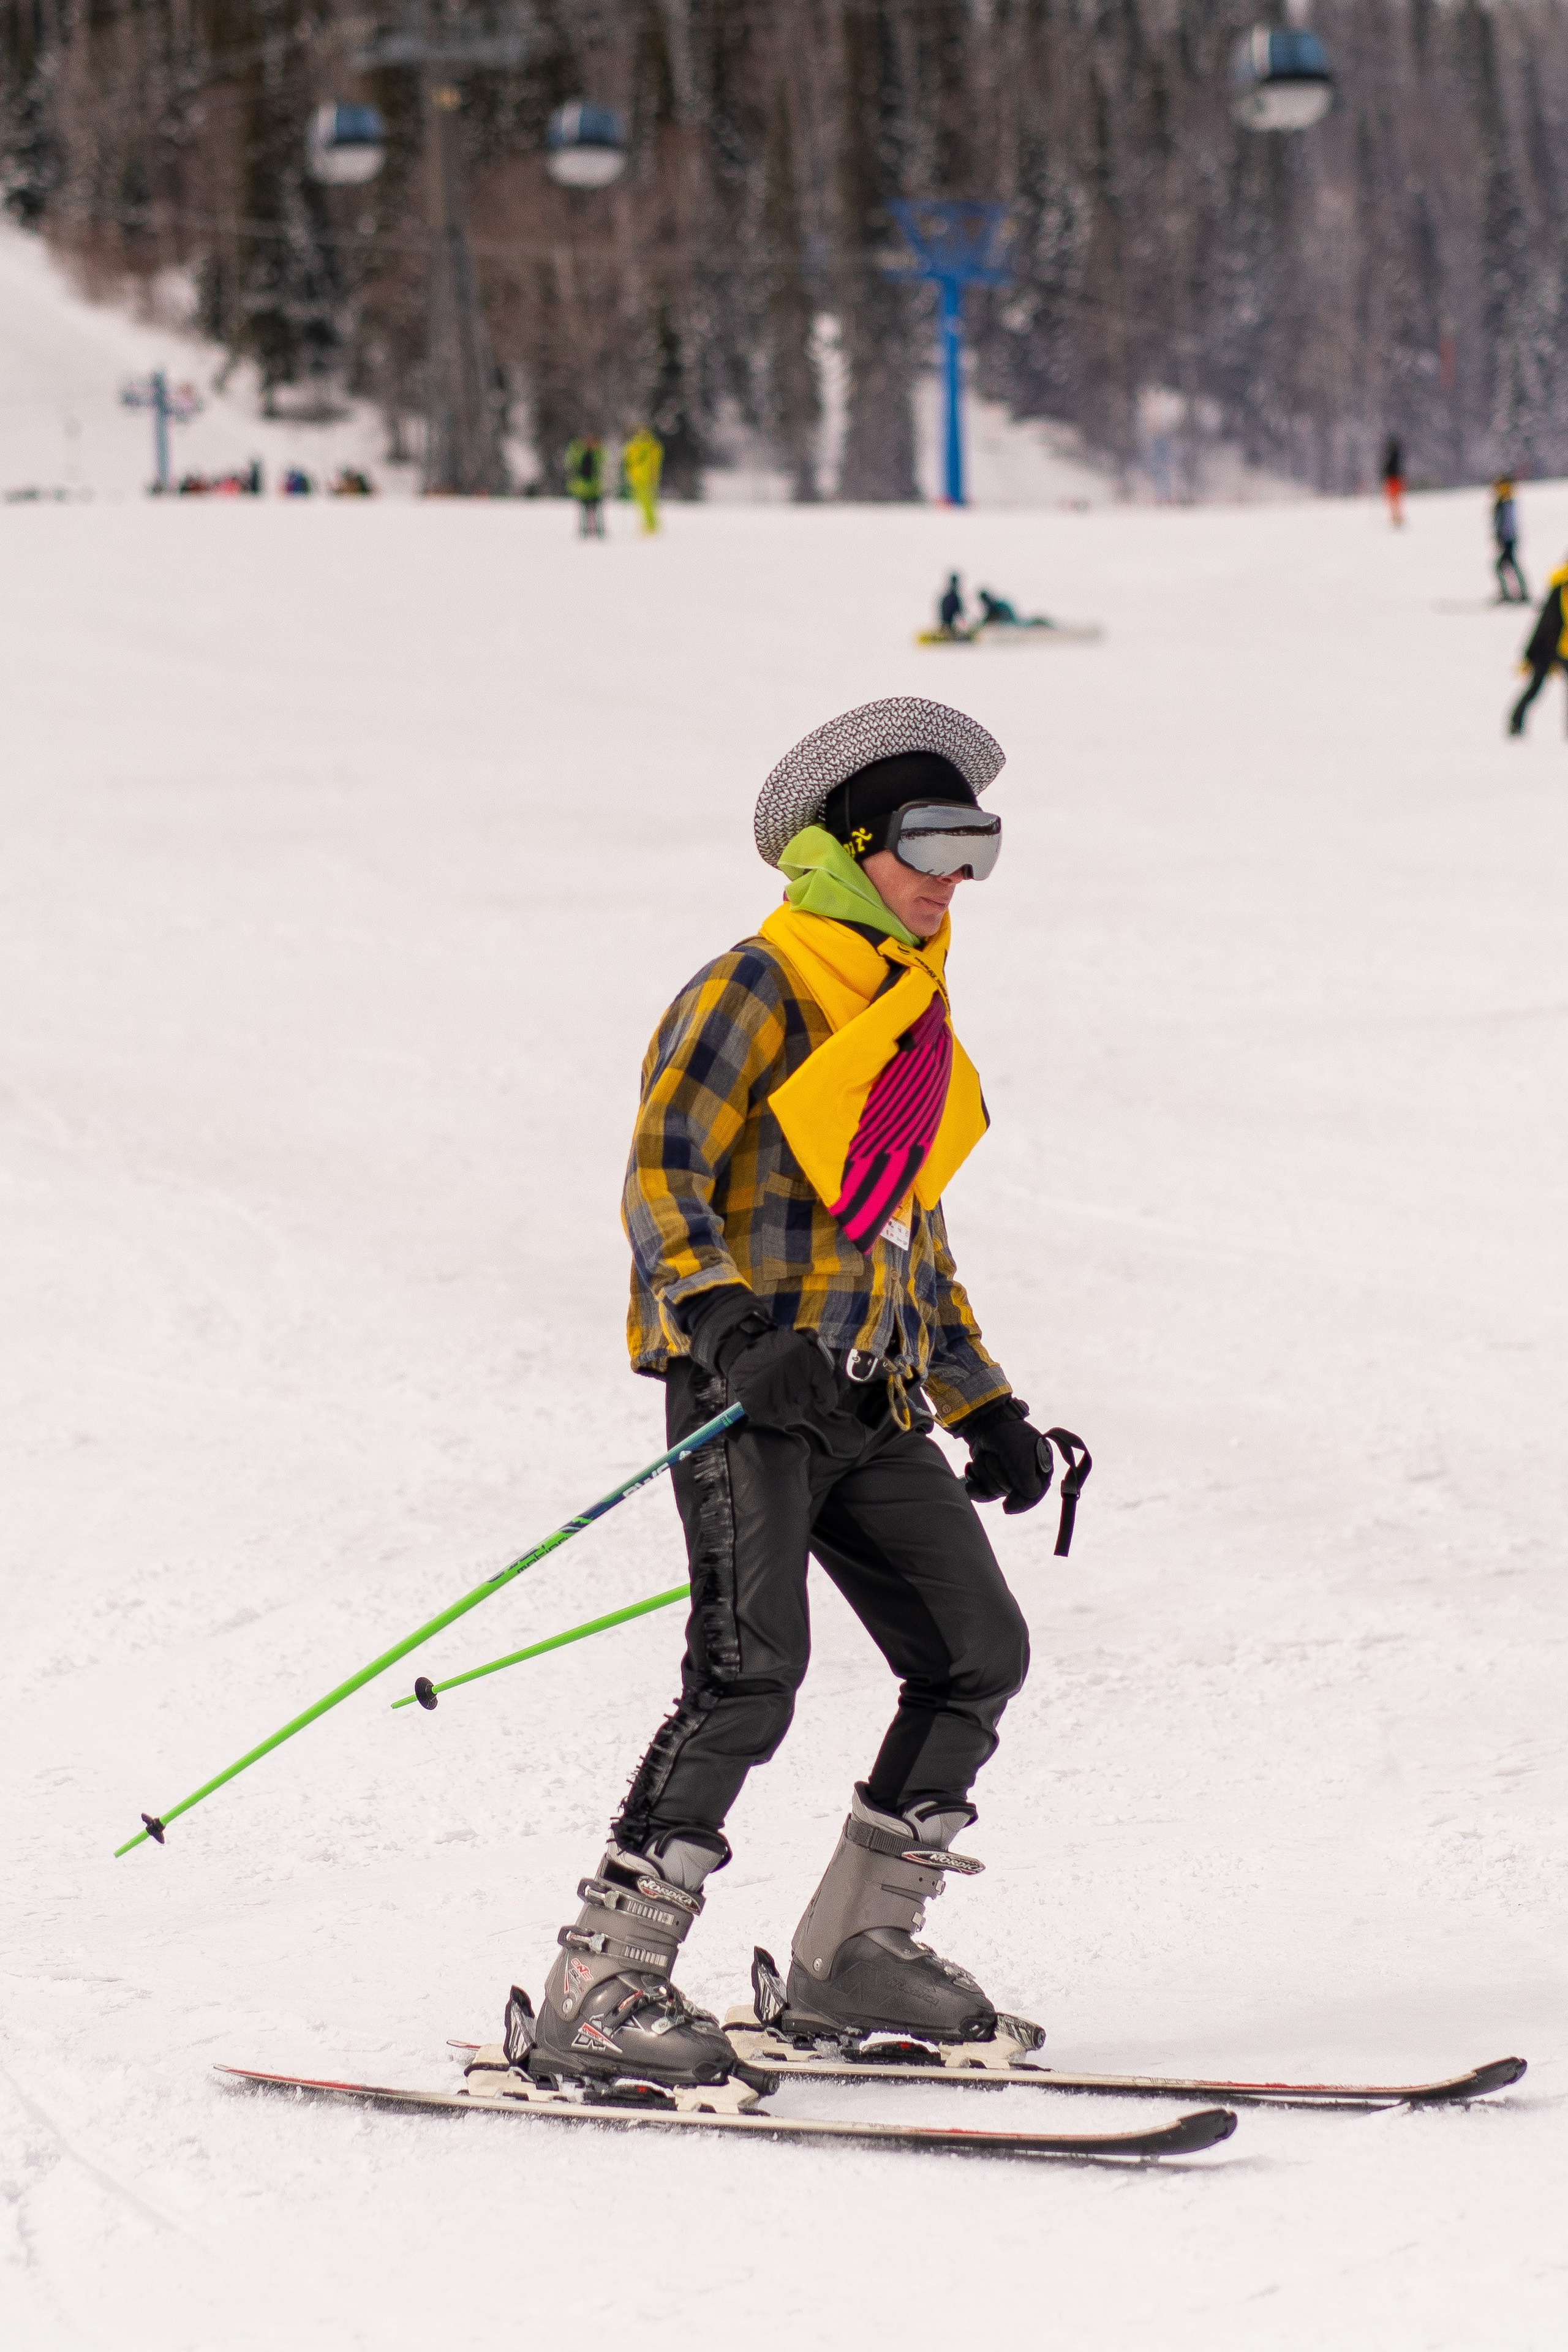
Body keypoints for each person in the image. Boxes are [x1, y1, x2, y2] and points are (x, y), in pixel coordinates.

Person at [517, 695, 1087, 2092]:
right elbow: (661, 1178)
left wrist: (982, 1403)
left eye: (980, 845)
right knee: (746, 1671)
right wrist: (723, 1325)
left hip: (864, 1405)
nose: (957, 875)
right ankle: (600, 1982)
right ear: (844, 847)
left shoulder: (906, 1017)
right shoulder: (753, 988)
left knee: (973, 1652)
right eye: (933, 839)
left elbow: (909, 1235)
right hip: (750, 1398)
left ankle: (852, 1958)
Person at [1508, 560, 1568, 736]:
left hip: (1560, 648)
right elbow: (1546, 623)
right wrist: (1529, 655)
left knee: (1536, 687)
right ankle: (1515, 722)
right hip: (1550, 648)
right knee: (1535, 687)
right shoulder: (1560, 588)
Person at [622, 424, 663, 533]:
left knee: (646, 503)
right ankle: (649, 524)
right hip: (641, 478)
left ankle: (650, 525)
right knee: (645, 503)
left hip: (642, 479)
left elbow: (628, 461)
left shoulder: (636, 446)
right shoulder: (651, 446)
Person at [1493, 479, 1527, 604]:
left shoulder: (1506, 503)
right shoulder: (1502, 503)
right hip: (1508, 540)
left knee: (1499, 566)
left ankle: (1510, 594)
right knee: (1509, 565)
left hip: (1508, 540)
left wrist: (1504, 539)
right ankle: (1521, 593)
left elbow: (1508, 524)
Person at [565, 434, 605, 537]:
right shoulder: (579, 453)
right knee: (584, 511)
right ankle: (585, 531)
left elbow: (603, 458)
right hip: (583, 488)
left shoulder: (596, 454)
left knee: (596, 511)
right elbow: (571, 458)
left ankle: (599, 530)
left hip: (594, 488)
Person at [1381, 436, 1404, 527]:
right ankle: (1396, 517)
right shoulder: (1395, 457)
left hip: (1393, 480)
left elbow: (1390, 469)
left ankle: (1397, 518)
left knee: (1393, 499)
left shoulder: (1393, 457)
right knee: (1394, 499)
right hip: (1394, 480)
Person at [937, 573, 966, 637]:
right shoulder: (955, 597)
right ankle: (946, 630)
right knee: (949, 625)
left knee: (947, 624)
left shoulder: (946, 596)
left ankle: (944, 629)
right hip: (948, 623)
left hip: (946, 622)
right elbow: (959, 611)